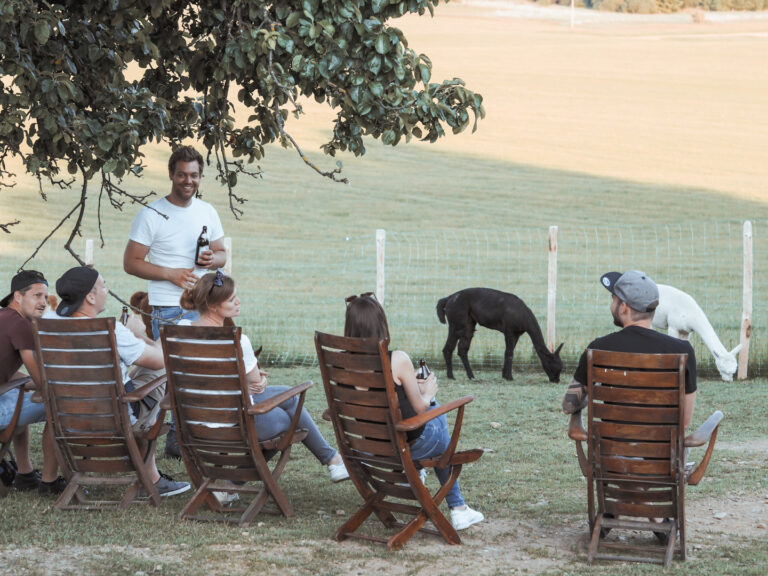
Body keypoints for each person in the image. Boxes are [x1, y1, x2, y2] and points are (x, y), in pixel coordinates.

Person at [178, 271, 349, 484]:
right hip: (234, 425)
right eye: (232, 300)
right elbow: (256, 385)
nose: (239, 302)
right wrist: (258, 378)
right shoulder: (238, 341)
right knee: (292, 421)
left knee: (289, 396)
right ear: (213, 306)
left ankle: (333, 460)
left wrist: (241, 381)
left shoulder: (180, 331)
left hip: (192, 421)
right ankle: (233, 483)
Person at [343, 292, 485, 531]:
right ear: (381, 324)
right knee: (435, 409)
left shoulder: (340, 363)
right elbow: (420, 407)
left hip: (369, 448)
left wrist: (413, 391)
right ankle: (458, 507)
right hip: (405, 447)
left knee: (421, 411)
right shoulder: (396, 359)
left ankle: (419, 476)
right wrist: (427, 392)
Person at [123, 145, 226, 457]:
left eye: (194, 175)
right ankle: (174, 440)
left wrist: (212, 260)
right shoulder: (152, 213)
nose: (188, 180)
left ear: (200, 176)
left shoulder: (207, 211)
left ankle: (185, 440)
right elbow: (131, 262)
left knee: (204, 372)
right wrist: (170, 274)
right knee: (176, 374)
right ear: (171, 174)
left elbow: (223, 254)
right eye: (182, 174)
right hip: (168, 308)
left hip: (204, 305)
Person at [55, 266, 190, 498]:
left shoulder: (50, 329)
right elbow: (159, 361)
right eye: (104, 285)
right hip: (118, 421)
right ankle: (152, 477)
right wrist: (138, 333)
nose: (107, 290)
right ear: (90, 296)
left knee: (135, 371)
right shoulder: (113, 330)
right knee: (162, 371)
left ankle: (152, 475)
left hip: (69, 420)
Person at [562, 270, 697, 429]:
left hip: (610, 451)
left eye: (613, 299)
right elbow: (684, 422)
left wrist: (586, 398)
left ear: (624, 307)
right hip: (661, 452)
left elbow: (569, 405)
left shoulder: (597, 349)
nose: (611, 305)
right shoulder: (683, 351)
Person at [0, 270, 65, 494]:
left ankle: (25, 474)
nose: (43, 303)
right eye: (37, 296)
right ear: (18, 296)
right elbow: (40, 378)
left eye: (46, 298)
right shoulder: (21, 325)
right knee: (58, 406)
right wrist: (67, 388)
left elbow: (13, 375)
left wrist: (32, 384)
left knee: (21, 395)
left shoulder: (4, 317)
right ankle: (49, 481)